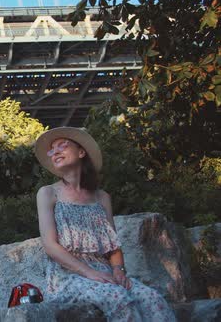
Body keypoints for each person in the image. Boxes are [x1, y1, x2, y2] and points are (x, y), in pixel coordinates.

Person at [34, 127, 176, 321]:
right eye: (52, 150)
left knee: (153, 298)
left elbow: (114, 247)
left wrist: (119, 270)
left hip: (105, 271)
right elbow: (50, 246)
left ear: (82, 152)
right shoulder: (48, 193)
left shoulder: (102, 197)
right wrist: (89, 272)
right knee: (119, 298)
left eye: (62, 145)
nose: (55, 151)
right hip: (67, 276)